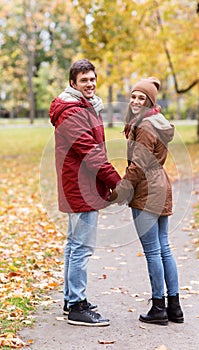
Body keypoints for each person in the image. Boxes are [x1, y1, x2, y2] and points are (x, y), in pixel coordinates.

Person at [49, 58, 121, 326]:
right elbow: (91, 152)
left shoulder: (83, 107)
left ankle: (71, 300)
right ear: (72, 83)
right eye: (84, 80)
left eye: (92, 79)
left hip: (80, 185)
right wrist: (117, 181)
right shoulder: (72, 112)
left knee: (74, 245)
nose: (90, 84)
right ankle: (77, 306)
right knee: (81, 247)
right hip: (80, 188)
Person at [110, 77, 184, 326]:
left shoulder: (144, 127)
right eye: (133, 96)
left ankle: (158, 307)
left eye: (142, 98)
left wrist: (120, 191)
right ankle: (175, 307)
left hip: (148, 189)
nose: (135, 101)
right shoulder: (157, 121)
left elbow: (138, 165)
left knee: (154, 249)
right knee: (164, 247)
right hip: (161, 184)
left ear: (150, 101)